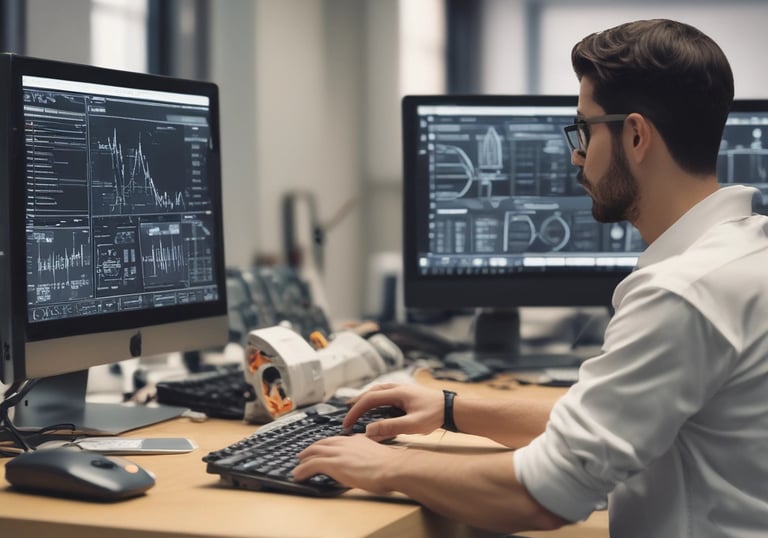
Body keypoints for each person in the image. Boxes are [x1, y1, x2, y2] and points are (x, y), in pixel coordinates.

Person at [293, 19, 768, 536]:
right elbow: (607, 419)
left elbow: (545, 493)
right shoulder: (743, 253)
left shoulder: (683, 293)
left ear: (635, 136)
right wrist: (452, 408)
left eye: (585, 130)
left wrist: (387, 465)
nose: (576, 154)